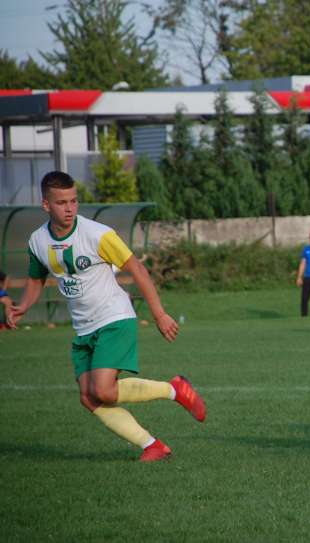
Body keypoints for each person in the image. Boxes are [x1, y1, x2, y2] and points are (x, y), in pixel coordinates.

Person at [6, 171, 207, 463]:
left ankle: (173, 389)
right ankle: (153, 445)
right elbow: (36, 278)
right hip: (83, 327)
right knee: (89, 397)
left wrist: (159, 313)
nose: (70, 208)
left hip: (114, 318)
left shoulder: (97, 234)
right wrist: (23, 305)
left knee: (103, 390)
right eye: (61, 202)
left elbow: (137, 268)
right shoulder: (37, 240)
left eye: (74, 201)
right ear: (46, 205)